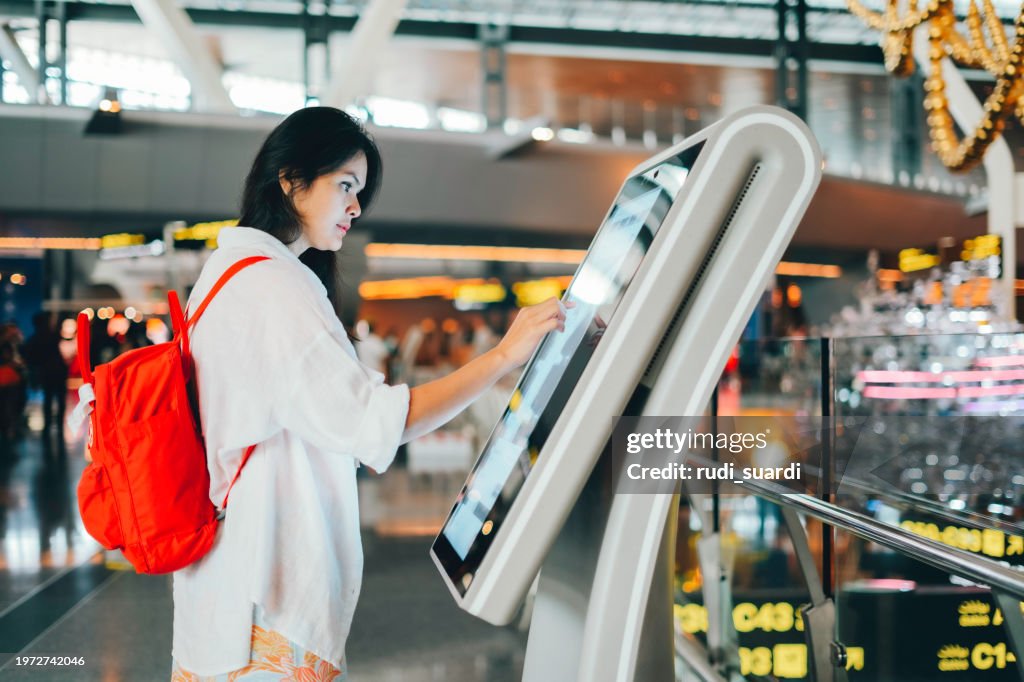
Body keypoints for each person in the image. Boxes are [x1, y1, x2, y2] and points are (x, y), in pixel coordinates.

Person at [169, 106, 568, 680]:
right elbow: (377, 423)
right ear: (291, 181)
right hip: (265, 600)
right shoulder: (273, 287)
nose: (356, 206)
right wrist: (504, 356)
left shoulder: (225, 274)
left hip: (222, 586)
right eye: (345, 186)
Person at [23, 312, 69, 435]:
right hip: (58, 372)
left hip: (46, 373)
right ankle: (59, 424)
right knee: (59, 399)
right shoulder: (52, 335)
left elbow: (29, 357)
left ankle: (48, 424)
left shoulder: (34, 338)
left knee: (48, 399)